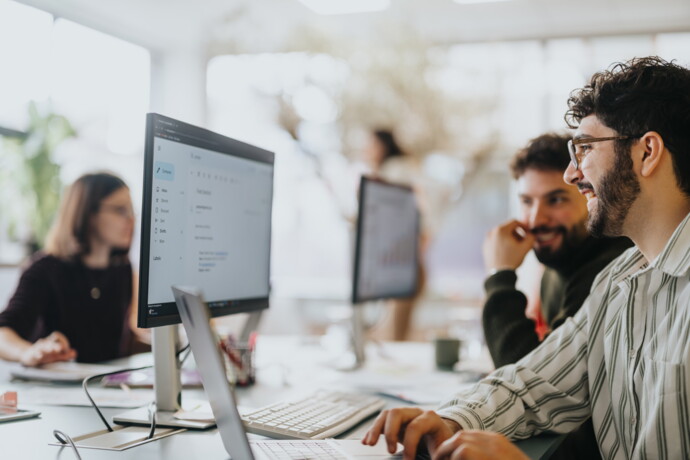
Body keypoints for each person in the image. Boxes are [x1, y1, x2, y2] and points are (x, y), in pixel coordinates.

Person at [362, 56, 690, 460]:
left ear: (647, 152)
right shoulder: (619, 280)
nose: (572, 174)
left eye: (585, 148)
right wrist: (450, 419)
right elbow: (533, 385)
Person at [483, 134, 631, 460]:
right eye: (526, 201)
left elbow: (534, 385)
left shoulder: (608, 267)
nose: (536, 220)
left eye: (555, 200)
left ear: (588, 192)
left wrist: (500, 276)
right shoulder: (559, 265)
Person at [0, 172, 145, 366]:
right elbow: (3, 332)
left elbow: (117, 342)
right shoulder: (44, 269)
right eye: (120, 210)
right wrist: (29, 352)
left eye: (131, 210)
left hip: (107, 386)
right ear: (88, 213)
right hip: (59, 387)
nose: (131, 219)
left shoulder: (122, 269)